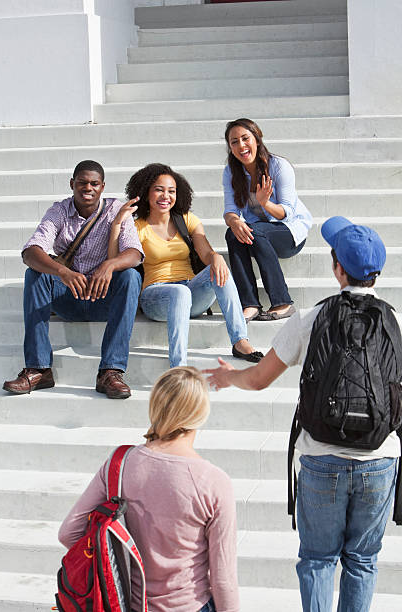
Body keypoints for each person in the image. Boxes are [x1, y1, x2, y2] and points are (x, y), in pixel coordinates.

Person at [204, 216, 400, 612]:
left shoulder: (309, 320)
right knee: (362, 561)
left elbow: (259, 379)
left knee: (317, 559)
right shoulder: (395, 323)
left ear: (336, 268)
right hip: (379, 460)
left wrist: (229, 377)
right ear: (377, 273)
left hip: (321, 457)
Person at [58, 366, 239, 612]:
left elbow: (69, 533)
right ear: (200, 414)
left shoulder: (119, 464)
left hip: (130, 605)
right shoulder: (214, 481)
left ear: (155, 406)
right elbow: (223, 580)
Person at [2, 160, 143, 399]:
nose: (88, 188)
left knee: (130, 275)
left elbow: (134, 253)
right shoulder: (59, 211)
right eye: (82, 183)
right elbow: (30, 252)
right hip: (69, 297)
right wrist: (62, 272)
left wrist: (109, 265)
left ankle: (110, 371)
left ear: (102, 186)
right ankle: (39, 369)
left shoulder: (115, 210)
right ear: (72, 184)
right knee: (34, 274)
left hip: (103, 298)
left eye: (94, 183)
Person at [108, 162, 263, 368]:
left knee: (218, 268)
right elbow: (114, 260)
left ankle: (240, 340)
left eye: (171, 191)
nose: (166, 196)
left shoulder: (187, 220)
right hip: (156, 296)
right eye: (159, 190)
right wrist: (117, 223)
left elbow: (205, 252)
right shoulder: (138, 226)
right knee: (180, 292)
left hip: (191, 293)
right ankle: (178, 365)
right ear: (146, 192)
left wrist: (216, 257)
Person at [223, 118, 312, 322]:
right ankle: (250, 304)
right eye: (234, 141)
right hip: (259, 234)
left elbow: (287, 212)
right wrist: (234, 221)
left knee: (256, 230)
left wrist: (265, 203)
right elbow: (230, 210)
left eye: (245, 138)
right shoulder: (231, 172)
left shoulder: (279, 166)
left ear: (257, 138)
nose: (241, 146)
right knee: (233, 233)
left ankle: (283, 302)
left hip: (289, 233)